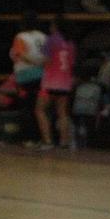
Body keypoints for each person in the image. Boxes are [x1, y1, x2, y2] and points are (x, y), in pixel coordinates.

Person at [34, 19, 76, 150]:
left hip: (51, 82)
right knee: (62, 112)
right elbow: (71, 63)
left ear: (56, 26)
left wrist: (36, 63)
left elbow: (47, 61)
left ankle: (47, 141)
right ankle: (64, 141)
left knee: (40, 110)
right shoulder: (70, 43)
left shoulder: (51, 40)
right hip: (65, 82)